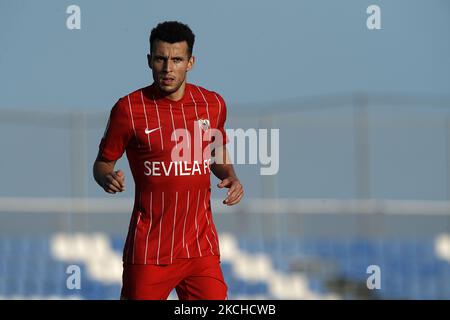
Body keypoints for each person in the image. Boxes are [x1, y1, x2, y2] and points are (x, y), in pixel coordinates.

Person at [93, 21, 243, 300]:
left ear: (191, 62)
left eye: (176, 59)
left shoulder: (213, 104)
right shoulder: (128, 109)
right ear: (149, 60)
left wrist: (230, 175)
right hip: (150, 250)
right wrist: (106, 178)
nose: (167, 68)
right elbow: (102, 163)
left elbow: (216, 152)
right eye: (161, 59)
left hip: (201, 249)